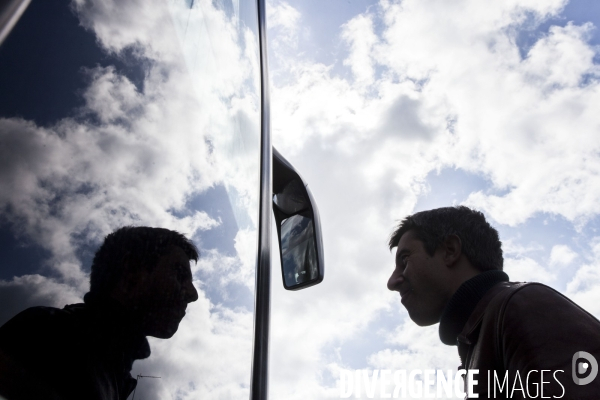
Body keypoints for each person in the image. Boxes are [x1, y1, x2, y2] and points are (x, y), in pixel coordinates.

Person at [387, 206, 600, 399]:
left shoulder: (522, 306)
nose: (392, 282)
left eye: (405, 260)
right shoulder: (486, 330)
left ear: (450, 251)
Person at [0, 226, 199, 400]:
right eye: (179, 274)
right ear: (131, 272)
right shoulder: (44, 334)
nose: (193, 294)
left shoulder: (115, 373)